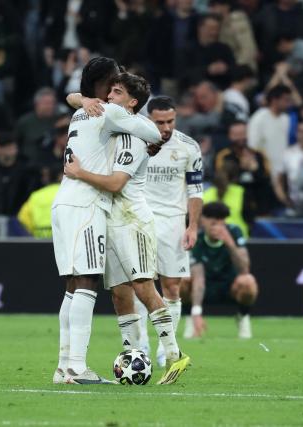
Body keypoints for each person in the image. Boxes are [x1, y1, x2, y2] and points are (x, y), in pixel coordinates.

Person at [63, 72, 191, 385]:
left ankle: (174, 355)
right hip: (110, 219)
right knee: (120, 294)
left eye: (117, 92)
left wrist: (79, 174)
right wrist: (83, 99)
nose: (109, 96)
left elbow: (118, 183)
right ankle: (135, 353)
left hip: (132, 218)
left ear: (132, 102)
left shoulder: (133, 138)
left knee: (143, 286)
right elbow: (71, 99)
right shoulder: (115, 128)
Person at [51, 57, 161, 385]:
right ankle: (76, 367)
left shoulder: (79, 110)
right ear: (101, 86)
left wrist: (81, 98)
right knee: (86, 282)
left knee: (72, 287)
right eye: (113, 83)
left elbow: (72, 97)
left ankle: (63, 367)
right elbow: (153, 131)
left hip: (65, 201)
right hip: (86, 204)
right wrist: (144, 129)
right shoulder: (111, 112)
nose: (116, 90)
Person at [132, 96, 204, 367]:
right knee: (140, 284)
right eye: (159, 122)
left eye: (170, 121)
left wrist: (193, 225)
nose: (165, 127)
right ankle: (142, 347)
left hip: (173, 221)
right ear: (148, 118)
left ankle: (166, 349)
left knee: (172, 286)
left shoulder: (188, 147)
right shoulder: (135, 140)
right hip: (138, 218)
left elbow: (196, 190)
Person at [180, 201, 259, 339]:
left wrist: (229, 243)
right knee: (184, 280)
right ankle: (190, 319)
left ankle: (243, 317)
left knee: (248, 281)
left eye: (220, 220)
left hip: (229, 287)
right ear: (203, 220)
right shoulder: (196, 238)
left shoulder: (234, 231)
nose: (216, 225)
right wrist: (196, 312)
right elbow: (198, 278)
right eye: (212, 220)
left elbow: (244, 269)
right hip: (205, 288)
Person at [247, 85, 291, 179]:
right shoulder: (259, 118)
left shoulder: (286, 119)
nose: (289, 103)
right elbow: (253, 145)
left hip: (283, 171)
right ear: (275, 100)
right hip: (265, 171)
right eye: (286, 100)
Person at [18, 166, 62, 238]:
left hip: (40, 239)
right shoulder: (68, 194)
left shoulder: (35, 196)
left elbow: (22, 218)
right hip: (63, 238)